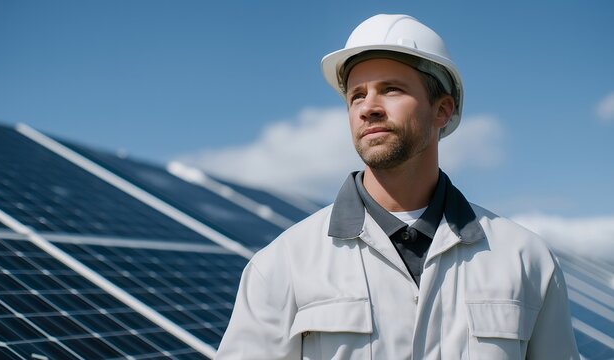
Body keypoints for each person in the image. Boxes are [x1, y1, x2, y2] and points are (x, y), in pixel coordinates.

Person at [216, 14, 579, 359]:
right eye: (357, 95)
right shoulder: (282, 265)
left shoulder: (526, 260)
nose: (368, 107)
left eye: (391, 89)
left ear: (442, 110)